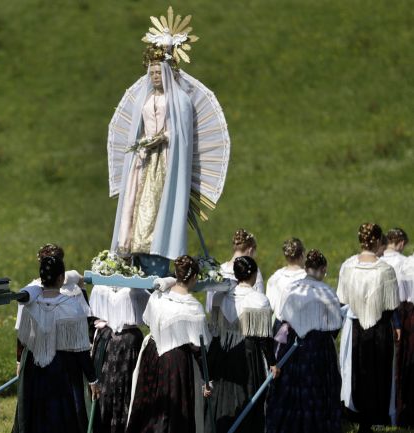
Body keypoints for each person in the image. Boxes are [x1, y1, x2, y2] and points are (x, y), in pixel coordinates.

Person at [109, 11, 199, 278]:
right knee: (136, 205)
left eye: (160, 72)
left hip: (166, 162)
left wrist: (164, 138)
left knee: (154, 206)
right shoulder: (145, 99)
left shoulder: (180, 101)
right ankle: (134, 250)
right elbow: (137, 128)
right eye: (152, 72)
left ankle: (155, 250)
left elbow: (181, 137)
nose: (155, 76)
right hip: (144, 159)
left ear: (169, 73)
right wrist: (141, 144)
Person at [13, 256, 99, 433]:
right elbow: (81, 348)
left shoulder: (30, 304)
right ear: (61, 278)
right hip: (61, 368)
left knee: (36, 414)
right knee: (60, 417)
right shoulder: (72, 306)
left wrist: (20, 361)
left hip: (34, 366)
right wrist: (92, 379)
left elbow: (22, 338)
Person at [126, 255, 211, 433]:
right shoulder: (194, 308)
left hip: (152, 352)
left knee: (150, 406)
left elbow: (148, 320)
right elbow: (199, 347)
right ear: (194, 277)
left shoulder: (158, 297)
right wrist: (206, 380)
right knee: (172, 412)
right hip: (175, 363)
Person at [265, 249, 343, 433]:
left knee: (292, 389)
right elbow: (334, 326)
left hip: (293, 345)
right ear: (323, 269)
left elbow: (282, 316)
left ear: (306, 268)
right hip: (318, 347)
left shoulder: (292, 288)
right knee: (318, 388)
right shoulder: (327, 293)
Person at [338, 223, 400, 433]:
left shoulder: (348, 268)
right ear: (378, 241)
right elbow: (391, 305)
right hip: (380, 328)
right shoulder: (385, 270)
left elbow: (343, 298)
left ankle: (360, 417)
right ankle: (372, 417)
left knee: (357, 371)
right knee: (378, 372)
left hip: (356, 328)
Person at [206, 256, 277, 433]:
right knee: (248, 398)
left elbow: (215, 332)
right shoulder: (258, 300)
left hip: (223, 352)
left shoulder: (220, 297)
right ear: (253, 274)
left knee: (223, 397)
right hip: (247, 357)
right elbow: (264, 339)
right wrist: (272, 362)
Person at [89, 281, 150, 433]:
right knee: (105, 386)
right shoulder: (101, 287)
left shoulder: (136, 288)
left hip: (128, 342)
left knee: (127, 383)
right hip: (108, 339)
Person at [206, 229, 264, 312]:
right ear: (250, 250)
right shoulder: (253, 271)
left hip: (220, 321)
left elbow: (209, 307)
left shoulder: (218, 271)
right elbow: (260, 303)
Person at [396, 242, 414, 427]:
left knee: (409, 361)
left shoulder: (407, 264)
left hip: (410, 315)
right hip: (410, 315)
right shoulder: (406, 264)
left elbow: (401, 296)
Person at [265, 237, 307, 318]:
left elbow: (269, 307)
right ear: (302, 255)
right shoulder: (309, 279)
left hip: (280, 327)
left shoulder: (276, 278)